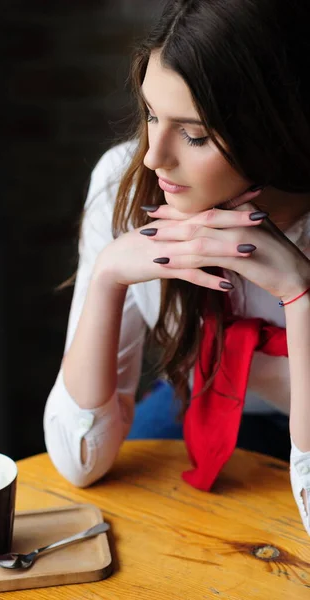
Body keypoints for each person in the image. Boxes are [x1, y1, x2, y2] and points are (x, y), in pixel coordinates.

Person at [44, 0, 310, 534]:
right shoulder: (124, 184)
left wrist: (300, 292)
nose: (153, 157)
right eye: (150, 114)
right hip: (195, 405)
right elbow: (79, 462)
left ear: (277, 128)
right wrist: (107, 277)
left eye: (195, 135)